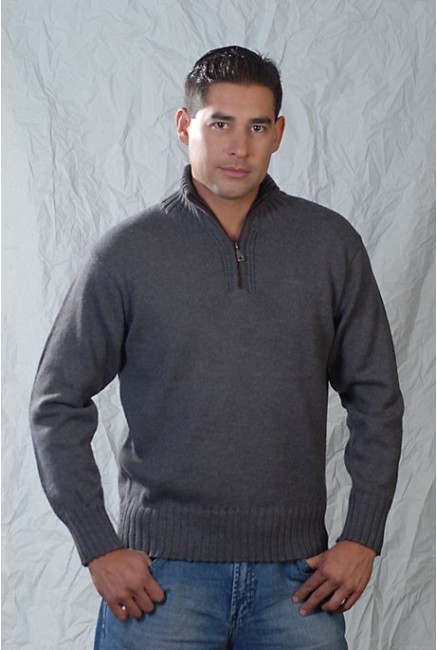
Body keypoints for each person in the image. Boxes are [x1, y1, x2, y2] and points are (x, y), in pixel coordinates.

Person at [29, 46, 404, 649]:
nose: (239, 146)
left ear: (278, 133)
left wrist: (363, 535)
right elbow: (56, 401)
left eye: (257, 126)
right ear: (185, 126)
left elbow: (377, 398)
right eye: (221, 123)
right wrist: (98, 546)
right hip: (161, 581)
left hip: (298, 582)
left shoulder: (330, 245)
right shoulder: (127, 253)